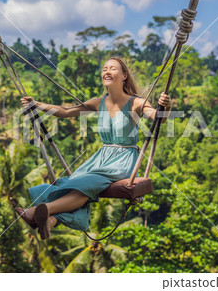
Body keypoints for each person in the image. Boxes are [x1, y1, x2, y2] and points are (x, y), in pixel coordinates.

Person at [15, 57, 172, 240]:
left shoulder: (136, 103)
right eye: (105, 68)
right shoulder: (98, 103)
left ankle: (38, 212)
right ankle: (50, 221)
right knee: (69, 183)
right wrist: (36, 105)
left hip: (123, 161)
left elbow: (158, 117)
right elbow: (65, 112)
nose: (107, 71)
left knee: (83, 185)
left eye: (113, 68)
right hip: (101, 158)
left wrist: (165, 108)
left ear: (124, 76)